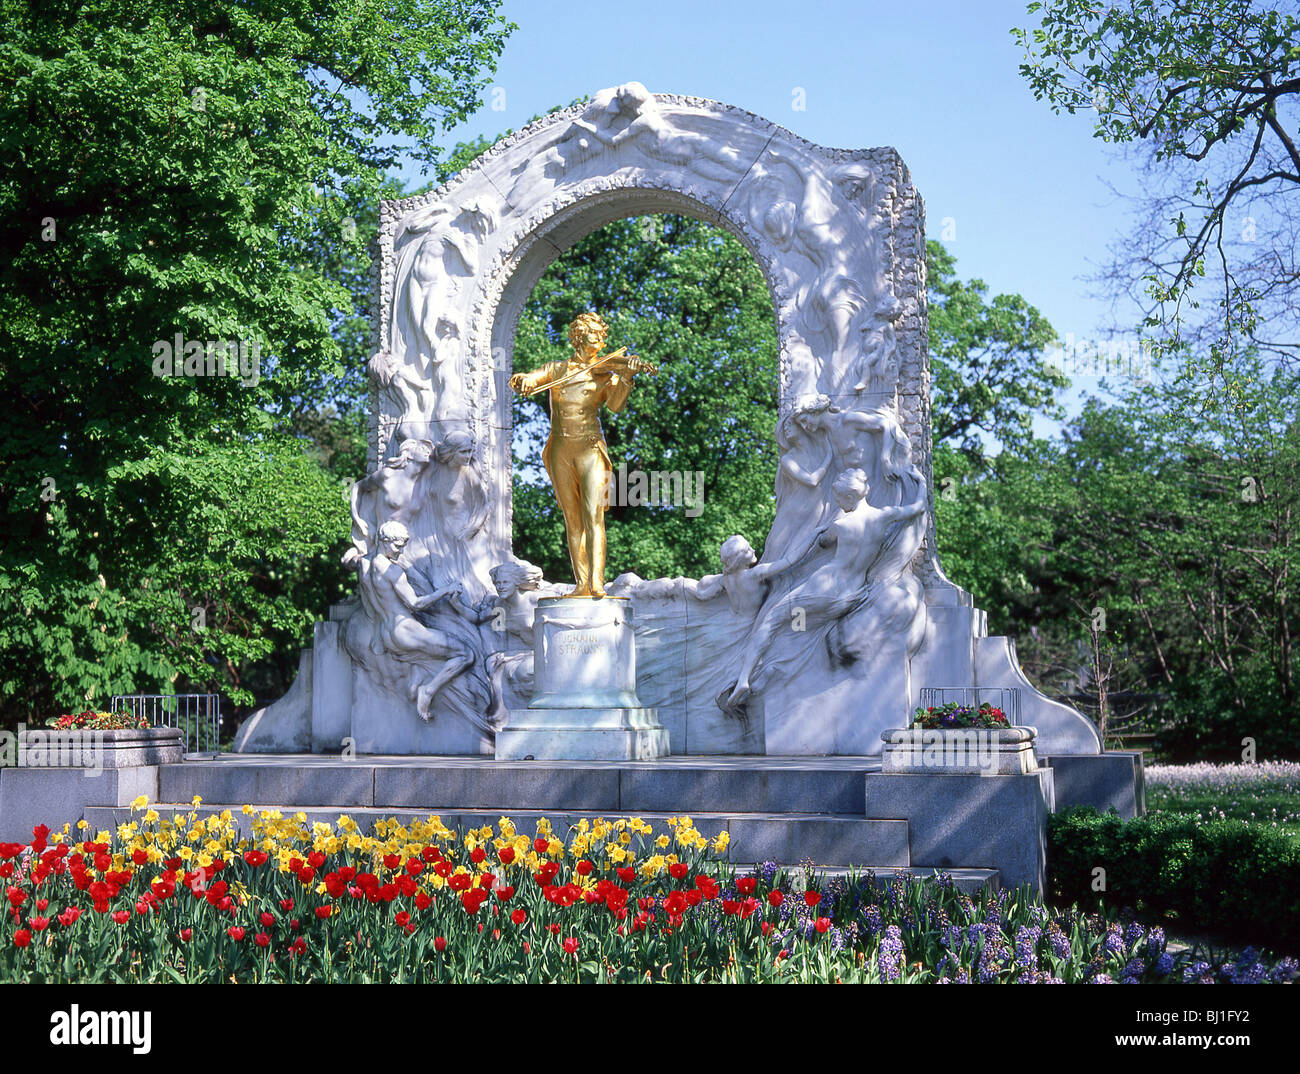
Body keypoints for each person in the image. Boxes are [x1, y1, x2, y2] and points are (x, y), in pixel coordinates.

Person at [509, 312, 656, 597]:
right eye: (594, 334)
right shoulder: (557, 369)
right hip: (561, 449)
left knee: (593, 515)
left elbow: (615, 406)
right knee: (572, 518)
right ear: (578, 336)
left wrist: (625, 376)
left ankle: (597, 582)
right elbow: (529, 379)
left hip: (590, 447)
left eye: (603, 336)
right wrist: (523, 379)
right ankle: (581, 583)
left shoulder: (606, 374)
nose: (601, 340)